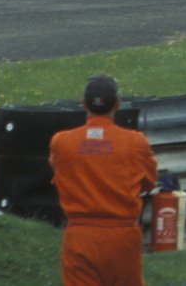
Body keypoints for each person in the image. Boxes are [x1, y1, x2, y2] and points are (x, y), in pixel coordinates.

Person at [49, 74, 159, 286]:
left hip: (80, 235)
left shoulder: (61, 142)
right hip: (122, 236)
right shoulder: (135, 142)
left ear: (84, 104)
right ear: (117, 104)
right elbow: (148, 182)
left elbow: (58, 173)